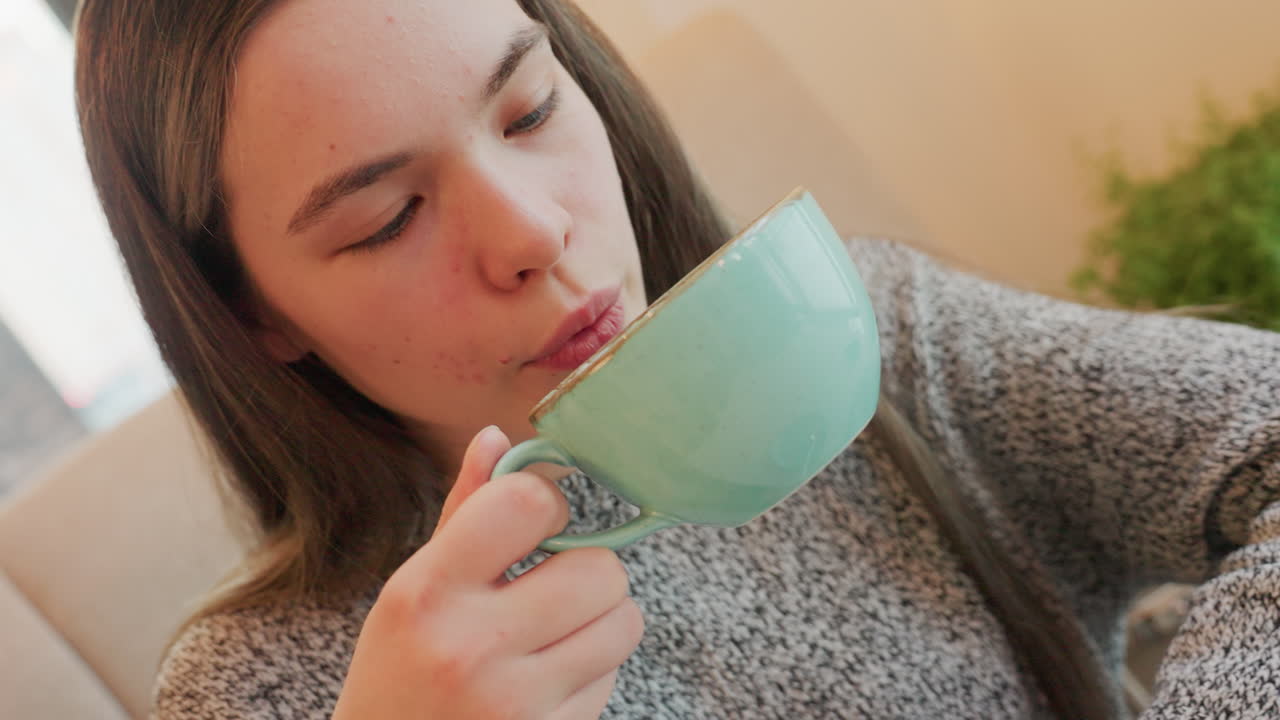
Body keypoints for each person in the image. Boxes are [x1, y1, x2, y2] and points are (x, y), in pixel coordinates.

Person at [72, 0, 1280, 718]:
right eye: (385, 218)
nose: (531, 231)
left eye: (530, 111)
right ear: (253, 319)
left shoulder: (864, 336)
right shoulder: (266, 690)